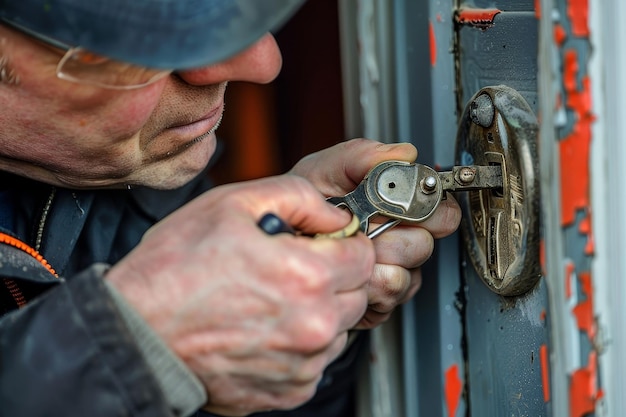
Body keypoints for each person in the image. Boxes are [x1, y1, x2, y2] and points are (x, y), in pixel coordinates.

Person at [0, 1, 461, 416]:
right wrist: (131, 349)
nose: (263, 63)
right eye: (148, 43)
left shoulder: (119, 177)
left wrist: (291, 335)